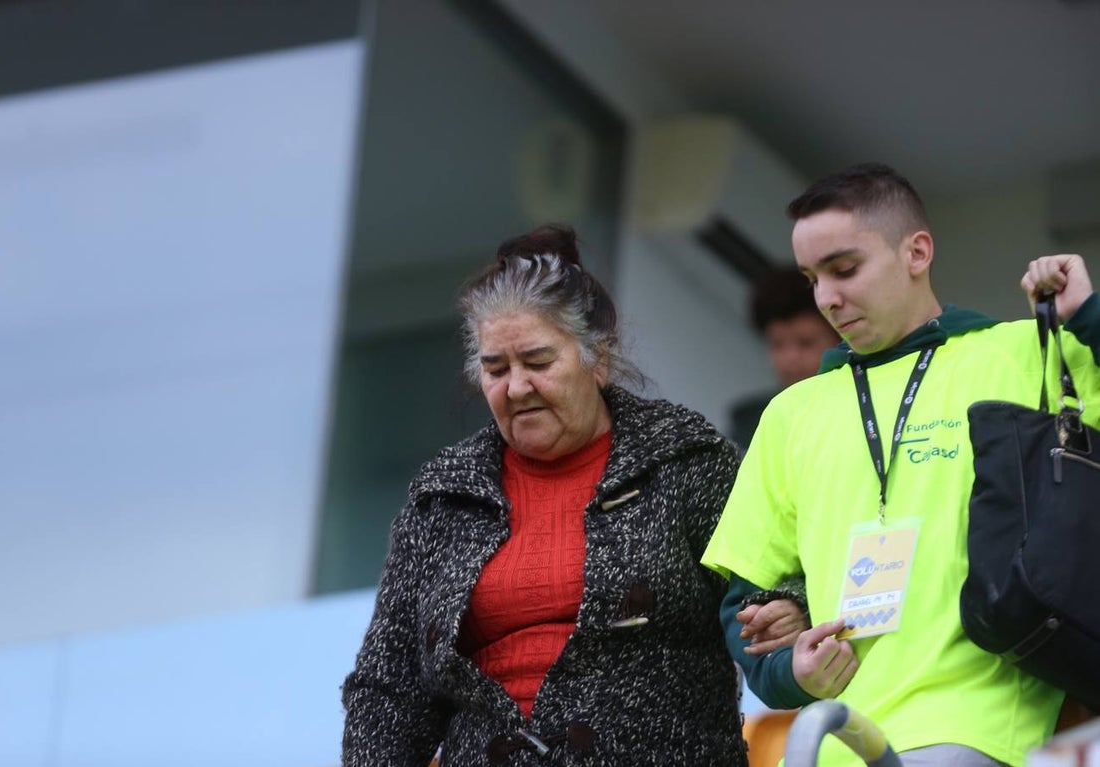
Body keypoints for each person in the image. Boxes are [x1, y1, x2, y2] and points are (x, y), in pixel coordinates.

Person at [701, 163, 1100, 767]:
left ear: (916, 252)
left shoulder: (1029, 354)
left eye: (844, 269)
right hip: (823, 744)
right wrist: (793, 670)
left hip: (976, 733)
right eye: (813, 277)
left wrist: (1088, 314)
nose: (827, 297)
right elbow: (748, 613)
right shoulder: (790, 413)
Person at [341, 224, 755, 766]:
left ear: (597, 360)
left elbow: (765, 599)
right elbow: (388, 688)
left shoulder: (686, 460)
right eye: (496, 369)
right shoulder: (443, 497)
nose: (516, 386)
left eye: (537, 362)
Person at [728, 267, 839, 449]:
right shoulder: (749, 422)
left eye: (806, 343)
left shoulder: (864, 408)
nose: (790, 358)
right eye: (777, 344)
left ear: (840, 341)